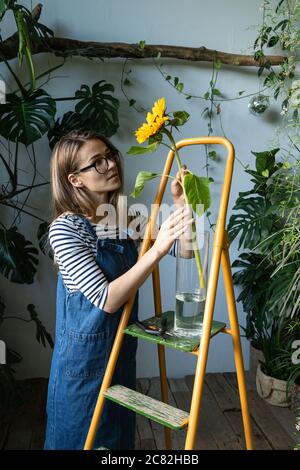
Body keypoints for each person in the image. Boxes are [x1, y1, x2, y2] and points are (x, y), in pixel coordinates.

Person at [43, 130, 193, 450]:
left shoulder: (124, 218)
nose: (111, 164)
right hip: (82, 370)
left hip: (120, 358)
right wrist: (155, 251)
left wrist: (182, 206)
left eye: (110, 155)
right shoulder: (65, 228)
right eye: (97, 162)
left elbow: (186, 252)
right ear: (75, 179)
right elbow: (106, 299)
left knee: (116, 445)